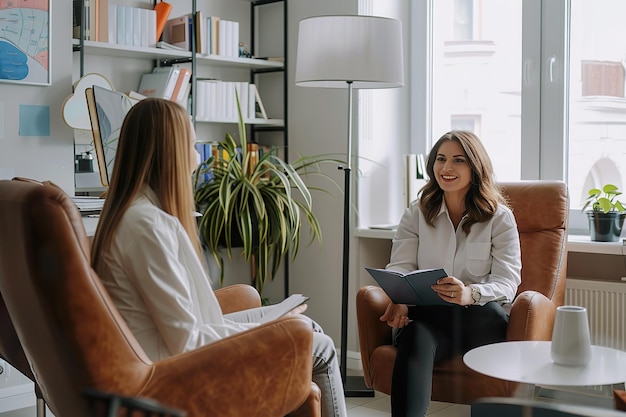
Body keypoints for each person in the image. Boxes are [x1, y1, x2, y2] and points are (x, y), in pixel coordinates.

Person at [90, 98, 347, 417]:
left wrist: (273, 323)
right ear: (170, 152)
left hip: (168, 345)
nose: (196, 159)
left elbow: (185, 322)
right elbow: (187, 339)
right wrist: (272, 331)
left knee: (305, 327)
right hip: (168, 369)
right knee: (317, 345)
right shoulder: (145, 225)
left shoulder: (134, 214)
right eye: (192, 146)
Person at [381, 130, 522, 417]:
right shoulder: (416, 213)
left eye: (458, 160)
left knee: (486, 313)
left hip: (478, 321)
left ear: (475, 167)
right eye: (441, 159)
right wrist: (399, 298)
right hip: (430, 319)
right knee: (414, 333)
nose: (446, 168)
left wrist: (471, 293)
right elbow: (401, 266)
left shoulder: (500, 217)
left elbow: (508, 281)